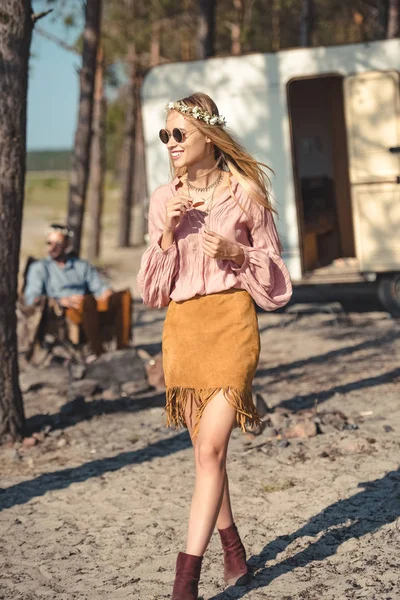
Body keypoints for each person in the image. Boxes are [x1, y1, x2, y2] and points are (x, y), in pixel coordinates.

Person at [137, 93, 292, 599]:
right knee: (209, 457)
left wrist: (237, 252)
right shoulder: (164, 198)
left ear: (209, 135)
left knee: (211, 449)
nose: (171, 143)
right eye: (166, 134)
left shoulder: (244, 192)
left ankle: (184, 585)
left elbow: (277, 282)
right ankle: (233, 552)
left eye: (179, 133)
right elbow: (153, 292)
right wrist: (166, 233)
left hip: (231, 324)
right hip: (183, 331)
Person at [24, 223, 132, 357]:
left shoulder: (81, 265)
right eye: (49, 243)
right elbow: (31, 297)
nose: (53, 248)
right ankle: (98, 351)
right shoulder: (40, 268)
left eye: (58, 243)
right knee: (87, 301)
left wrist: (106, 292)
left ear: (67, 245)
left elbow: (98, 287)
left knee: (123, 296)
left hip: (88, 303)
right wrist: (59, 301)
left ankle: (123, 346)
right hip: (64, 309)